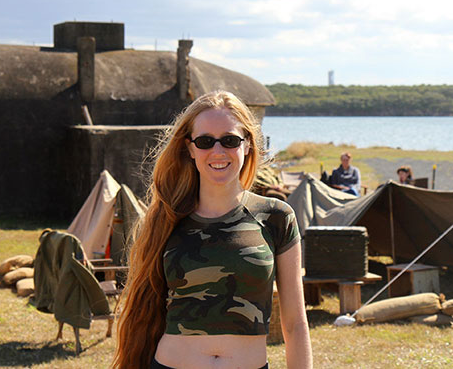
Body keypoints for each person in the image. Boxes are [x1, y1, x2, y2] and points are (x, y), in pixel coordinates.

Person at [113, 90, 312, 369]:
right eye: (205, 141)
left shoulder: (277, 217)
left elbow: (294, 324)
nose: (218, 152)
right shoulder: (166, 218)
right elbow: (146, 309)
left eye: (230, 140)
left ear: (248, 145)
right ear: (190, 148)